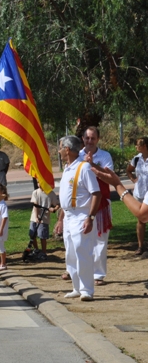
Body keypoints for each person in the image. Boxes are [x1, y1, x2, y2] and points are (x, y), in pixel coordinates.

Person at [58, 135, 101, 302]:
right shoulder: (68, 169)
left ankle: (87, 289)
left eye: (61, 147)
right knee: (71, 253)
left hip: (81, 215)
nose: (59, 151)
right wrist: (61, 219)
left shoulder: (83, 168)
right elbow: (65, 198)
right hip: (69, 216)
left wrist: (90, 217)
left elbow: (96, 193)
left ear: (67, 150)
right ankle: (76, 287)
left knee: (82, 251)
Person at [81, 126, 114, 286]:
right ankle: (79, 270)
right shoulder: (77, 155)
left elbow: (110, 177)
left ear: (98, 139)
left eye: (93, 138)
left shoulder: (105, 156)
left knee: (100, 240)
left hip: (101, 203)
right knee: (80, 238)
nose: (90, 141)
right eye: (87, 138)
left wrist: (92, 164)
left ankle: (98, 275)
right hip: (82, 203)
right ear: (83, 139)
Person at [126, 137, 148, 255]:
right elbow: (128, 170)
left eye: (138, 145)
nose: (136, 147)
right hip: (140, 194)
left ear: (144, 146)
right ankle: (140, 246)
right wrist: (133, 179)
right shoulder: (136, 159)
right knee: (141, 220)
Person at [29, 185, 60, 258]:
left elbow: (57, 204)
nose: (39, 184)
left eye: (41, 182)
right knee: (32, 234)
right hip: (34, 217)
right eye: (38, 182)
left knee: (42, 236)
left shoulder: (51, 193)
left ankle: (43, 252)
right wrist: (36, 217)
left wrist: (54, 209)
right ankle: (36, 249)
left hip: (44, 218)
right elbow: (35, 205)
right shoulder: (35, 192)